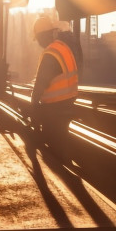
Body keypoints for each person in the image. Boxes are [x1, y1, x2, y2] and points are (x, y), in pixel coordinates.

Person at [30, 16, 79, 150]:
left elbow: (40, 84)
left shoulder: (51, 53)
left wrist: (33, 108)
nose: (39, 42)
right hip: (68, 103)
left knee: (53, 148)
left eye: (38, 38)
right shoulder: (63, 47)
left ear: (41, 36)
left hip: (54, 108)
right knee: (62, 142)